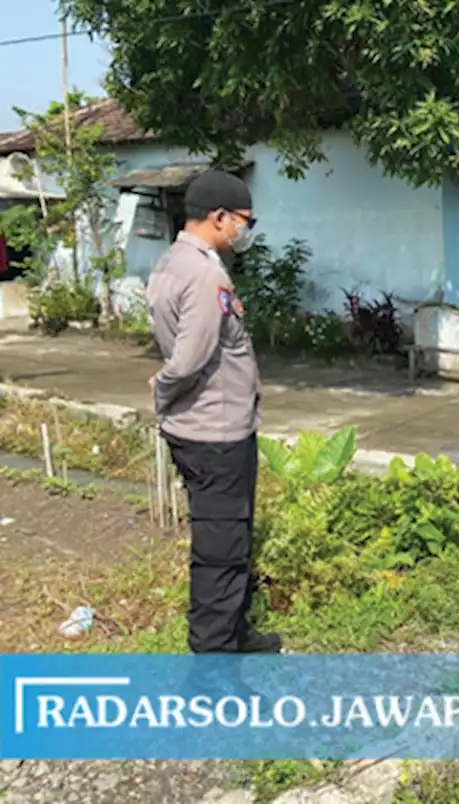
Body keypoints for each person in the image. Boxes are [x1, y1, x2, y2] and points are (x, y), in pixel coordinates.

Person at [146, 170, 280, 655]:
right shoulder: (204, 273)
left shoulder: (172, 261)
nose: (247, 230)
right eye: (246, 220)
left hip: (208, 426)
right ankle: (214, 665)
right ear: (219, 217)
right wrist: (162, 388)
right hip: (215, 432)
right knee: (222, 550)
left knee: (231, 538)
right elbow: (190, 356)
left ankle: (236, 634)